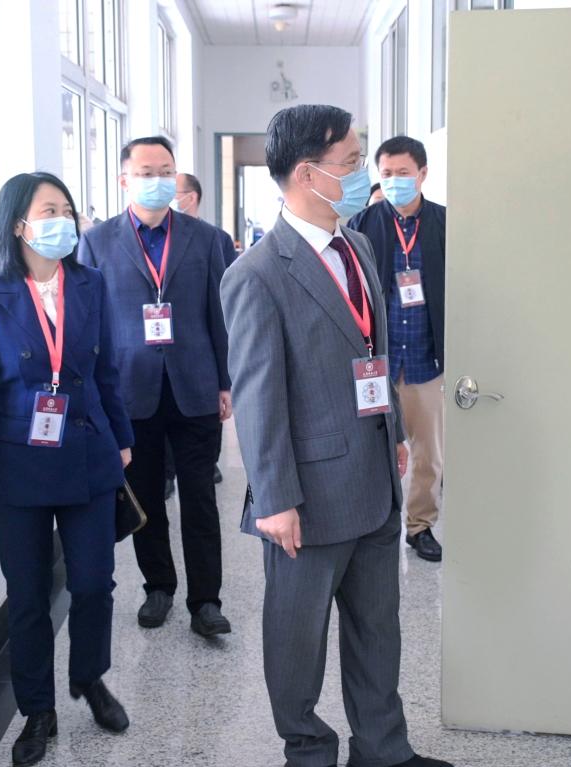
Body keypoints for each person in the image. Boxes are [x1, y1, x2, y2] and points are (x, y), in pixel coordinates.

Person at [221, 104, 452, 767]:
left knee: (378, 629)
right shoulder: (257, 274)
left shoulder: (357, 245)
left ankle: (383, 749)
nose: (361, 176)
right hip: (308, 496)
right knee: (297, 641)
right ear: (306, 174)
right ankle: (308, 750)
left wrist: (392, 432)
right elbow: (259, 397)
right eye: (350, 163)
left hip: (374, 479)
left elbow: (371, 350)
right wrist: (274, 500)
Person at [0, 172, 133, 766]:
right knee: (28, 593)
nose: (63, 220)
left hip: (88, 450)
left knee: (93, 582)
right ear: (19, 225)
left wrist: (123, 439)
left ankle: (89, 677)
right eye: (48, 210)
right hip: (16, 462)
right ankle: (38, 708)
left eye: (66, 209)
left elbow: (107, 369)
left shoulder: (90, 283)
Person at [79, 136, 234, 637]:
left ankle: (206, 601)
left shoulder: (207, 239)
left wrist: (225, 381)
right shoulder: (97, 242)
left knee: (199, 498)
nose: (158, 180)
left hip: (195, 386)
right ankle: (158, 587)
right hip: (130, 391)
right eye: (146, 172)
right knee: (146, 496)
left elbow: (220, 316)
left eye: (166, 171)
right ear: (124, 179)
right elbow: (89, 325)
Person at [349, 136, 446, 562]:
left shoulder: (445, 223)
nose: (393, 181)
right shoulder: (362, 224)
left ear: (422, 174)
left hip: (426, 360)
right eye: (386, 174)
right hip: (378, 363)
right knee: (374, 451)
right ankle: (376, 524)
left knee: (429, 454)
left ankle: (420, 525)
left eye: (402, 173)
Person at [165, 171, 235, 500]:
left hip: (197, 358)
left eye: (172, 188)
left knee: (200, 492)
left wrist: (225, 378)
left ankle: (209, 463)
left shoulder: (215, 239)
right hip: (154, 362)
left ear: (190, 197)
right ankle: (166, 472)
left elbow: (223, 302)